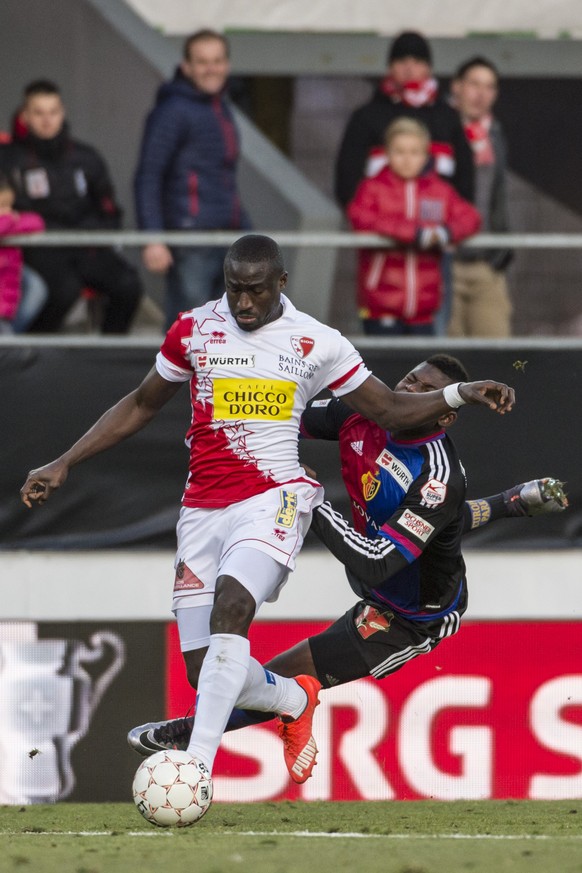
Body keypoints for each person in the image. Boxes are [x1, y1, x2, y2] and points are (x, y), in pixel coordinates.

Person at [20, 235, 514, 797]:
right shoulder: (193, 329)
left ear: (281, 282)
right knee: (204, 673)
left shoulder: (318, 343)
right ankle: (292, 697)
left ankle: (195, 772)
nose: (245, 304)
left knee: (234, 605)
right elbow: (140, 403)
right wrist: (65, 461)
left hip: (274, 497)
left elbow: (390, 407)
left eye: (256, 290)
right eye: (235, 289)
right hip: (202, 508)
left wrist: (461, 393)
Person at [127, 356, 566, 755]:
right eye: (410, 379)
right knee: (440, 526)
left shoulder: (438, 478)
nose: (409, 390)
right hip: (392, 552)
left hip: (411, 614)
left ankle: (190, 733)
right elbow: (279, 415)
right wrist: (220, 401)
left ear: (446, 415)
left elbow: (376, 561)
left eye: (425, 391)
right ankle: (513, 501)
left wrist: (310, 498)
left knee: (287, 673)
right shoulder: (362, 412)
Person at [0, 80, 143, 333]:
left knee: (128, 285)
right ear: (25, 115)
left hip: (87, 247)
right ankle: (35, 362)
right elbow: (9, 214)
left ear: (62, 112)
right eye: (39, 112)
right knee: (63, 291)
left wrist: (96, 234)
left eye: (53, 112)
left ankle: (106, 361)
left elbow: (110, 210)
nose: (47, 120)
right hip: (38, 249)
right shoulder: (9, 158)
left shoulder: (86, 157)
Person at [135, 29, 250, 329]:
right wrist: (153, 238)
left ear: (227, 64)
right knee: (189, 333)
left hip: (228, 238)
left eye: (217, 60)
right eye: (202, 61)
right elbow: (149, 174)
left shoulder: (220, 106)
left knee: (225, 332)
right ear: (186, 66)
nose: (211, 68)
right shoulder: (172, 111)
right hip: (191, 240)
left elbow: (224, 177)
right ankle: (180, 380)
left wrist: (246, 230)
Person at [347, 118, 481, 336]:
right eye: (399, 151)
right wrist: (414, 233)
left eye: (415, 152)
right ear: (387, 153)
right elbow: (360, 217)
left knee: (420, 369)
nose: (407, 159)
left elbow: (471, 217)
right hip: (380, 305)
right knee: (384, 368)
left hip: (424, 307)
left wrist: (445, 232)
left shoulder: (440, 190)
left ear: (426, 155)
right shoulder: (372, 187)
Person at [334, 31, 474, 210]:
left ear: (428, 68)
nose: (409, 69)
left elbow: (465, 177)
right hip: (379, 225)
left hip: (436, 227)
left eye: (417, 62)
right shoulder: (366, 117)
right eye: (401, 62)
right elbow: (348, 178)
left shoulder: (448, 117)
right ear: (390, 67)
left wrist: (452, 219)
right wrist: (365, 219)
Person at [448, 57, 513, 338]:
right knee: (446, 366)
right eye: (474, 84)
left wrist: (503, 251)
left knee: (498, 354)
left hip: (487, 264)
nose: (481, 94)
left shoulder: (495, 135)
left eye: (489, 87)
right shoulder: (440, 130)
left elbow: (499, 196)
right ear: (457, 88)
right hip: (444, 264)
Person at [0, 173, 45, 334]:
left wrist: (10, 219)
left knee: (37, 288)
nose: (8, 211)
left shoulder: (11, 219)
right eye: (2, 206)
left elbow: (36, 222)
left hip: (6, 302)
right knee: (15, 352)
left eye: (9, 206)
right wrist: (9, 220)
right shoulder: (9, 221)